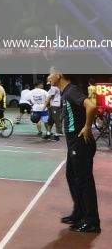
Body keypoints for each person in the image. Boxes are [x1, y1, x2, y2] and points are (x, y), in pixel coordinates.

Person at [48, 68, 100, 233]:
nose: (48, 77)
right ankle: (79, 213)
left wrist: (87, 127)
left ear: (59, 74)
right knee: (72, 177)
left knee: (84, 181)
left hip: (80, 144)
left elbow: (91, 106)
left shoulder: (71, 91)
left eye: (50, 73)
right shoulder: (65, 93)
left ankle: (92, 221)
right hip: (73, 144)